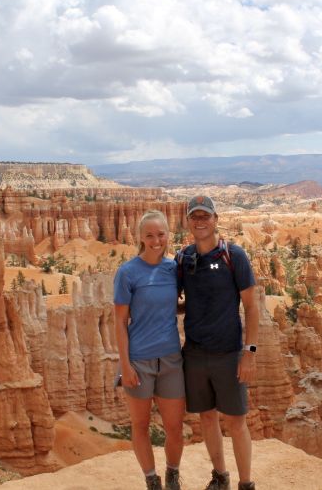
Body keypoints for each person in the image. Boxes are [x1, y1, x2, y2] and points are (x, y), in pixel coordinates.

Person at [178, 195, 259, 490]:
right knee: (207, 418)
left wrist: (249, 353)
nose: (200, 221)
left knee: (236, 422)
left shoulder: (233, 256)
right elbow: (179, 301)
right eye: (195, 216)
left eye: (205, 216)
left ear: (215, 219)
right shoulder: (184, 259)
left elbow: (251, 306)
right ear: (188, 221)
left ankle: (246, 483)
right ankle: (220, 476)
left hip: (228, 353)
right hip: (196, 354)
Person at [114, 210, 185, 490]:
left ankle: (173, 476)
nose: (156, 241)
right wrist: (125, 366)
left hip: (170, 359)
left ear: (168, 235)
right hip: (139, 361)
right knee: (140, 425)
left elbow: (175, 305)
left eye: (161, 234)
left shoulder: (173, 269)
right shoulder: (128, 272)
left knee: (175, 427)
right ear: (141, 238)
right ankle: (151, 480)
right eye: (150, 236)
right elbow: (119, 322)